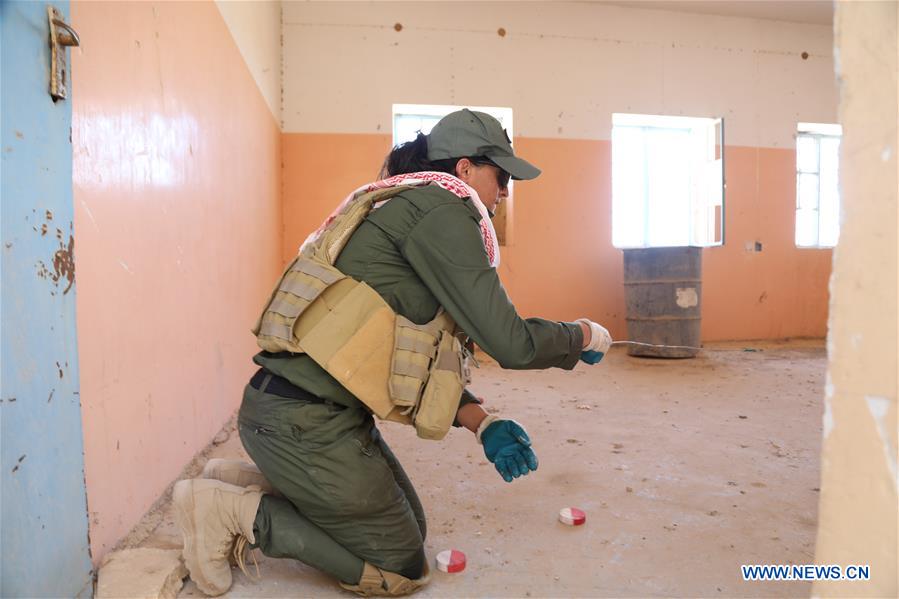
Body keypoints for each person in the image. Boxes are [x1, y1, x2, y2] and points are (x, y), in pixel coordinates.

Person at [172, 109, 612, 597]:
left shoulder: (404, 205)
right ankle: (232, 512)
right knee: (398, 567)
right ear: (465, 169)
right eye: (501, 175)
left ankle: (242, 480)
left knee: (413, 527)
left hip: (297, 411)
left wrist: (481, 421)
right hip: (304, 421)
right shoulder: (444, 212)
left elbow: (407, 353)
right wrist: (581, 336)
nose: (505, 191)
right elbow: (509, 341)